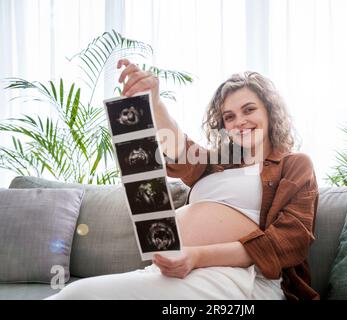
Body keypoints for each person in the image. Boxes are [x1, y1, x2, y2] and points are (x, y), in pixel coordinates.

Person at [46, 59, 319, 300]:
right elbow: (179, 149)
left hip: (242, 279)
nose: (239, 121)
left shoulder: (293, 165)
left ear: (269, 112)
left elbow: (289, 241)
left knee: (79, 295)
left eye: (249, 110)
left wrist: (198, 256)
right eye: (229, 117)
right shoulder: (217, 163)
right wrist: (154, 101)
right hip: (181, 271)